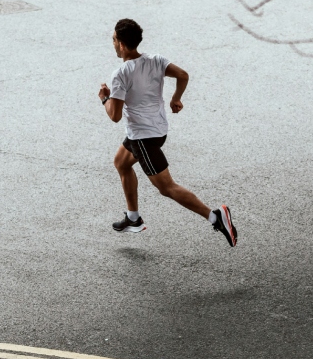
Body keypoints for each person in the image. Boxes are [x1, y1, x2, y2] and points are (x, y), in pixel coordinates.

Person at [97, 18, 238, 247]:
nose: (112, 43)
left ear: (122, 45)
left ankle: (215, 216)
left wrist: (104, 97)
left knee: (167, 188)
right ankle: (133, 218)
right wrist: (176, 99)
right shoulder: (156, 60)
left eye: (113, 39)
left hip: (143, 138)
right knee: (121, 163)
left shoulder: (121, 74)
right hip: (158, 130)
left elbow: (114, 115)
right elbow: (183, 75)